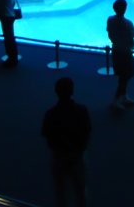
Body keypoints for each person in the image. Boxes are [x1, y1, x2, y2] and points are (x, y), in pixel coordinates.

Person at [41, 77, 92, 207]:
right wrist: (78, 154)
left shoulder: (50, 114)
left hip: (59, 158)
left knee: (61, 194)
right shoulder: (82, 110)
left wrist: (60, 155)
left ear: (56, 91)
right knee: (81, 192)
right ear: (72, 91)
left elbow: (49, 139)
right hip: (78, 157)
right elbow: (86, 135)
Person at [106, 0, 134, 109]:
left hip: (115, 51)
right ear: (125, 9)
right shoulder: (128, 23)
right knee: (127, 75)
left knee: (122, 75)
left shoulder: (110, 19)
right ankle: (116, 100)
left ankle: (124, 98)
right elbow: (132, 38)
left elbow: (109, 34)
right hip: (125, 52)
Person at [0, 0, 21, 67]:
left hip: (7, 15)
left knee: (8, 38)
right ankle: (13, 57)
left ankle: (12, 59)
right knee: (9, 37)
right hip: (10, 14)